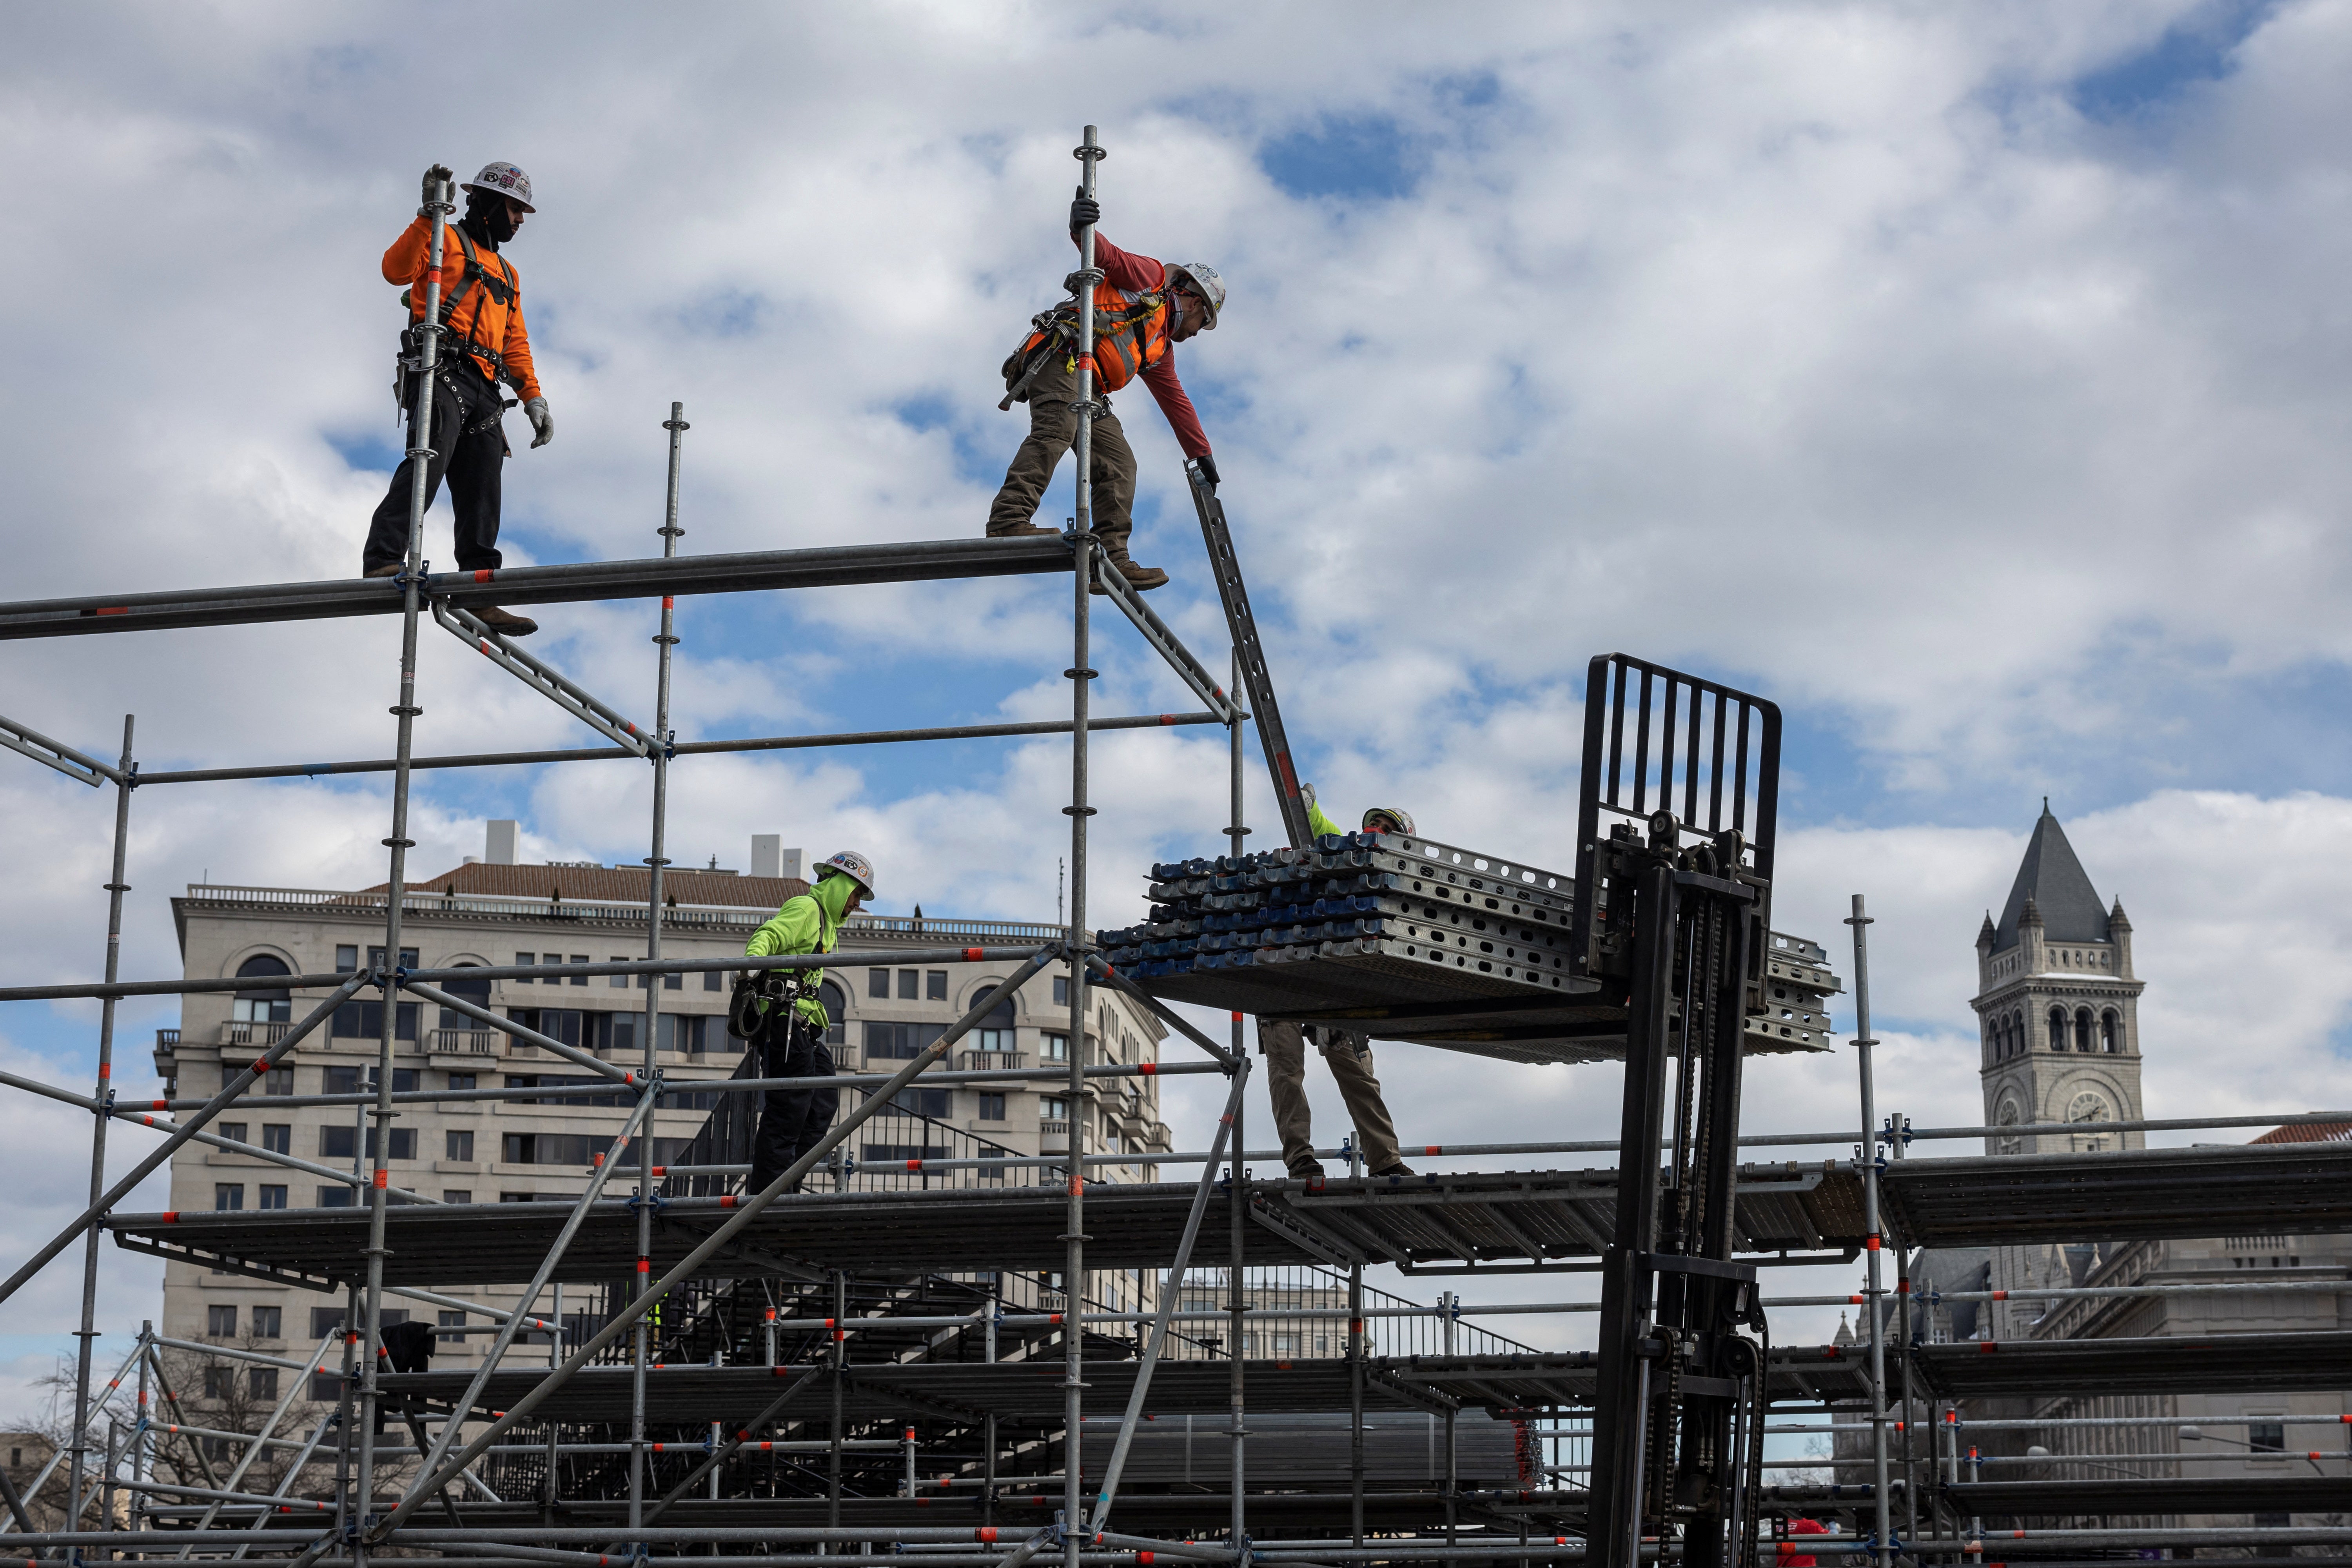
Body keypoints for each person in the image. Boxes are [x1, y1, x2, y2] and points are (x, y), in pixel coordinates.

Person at [987, 189, 1227, 593]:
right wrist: (1081, 227)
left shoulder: (1159, 347)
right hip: (1063, 360)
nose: (1198, 332)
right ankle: (1008, 520)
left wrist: (1200, 453)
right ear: (1192, 296)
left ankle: (1113, 558)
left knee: (1119, 464)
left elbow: (1176, 401)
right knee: (1056, 429)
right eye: (1204, 321)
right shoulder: (1150, 281)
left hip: (1089, 387)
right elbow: (1107, 256)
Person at [363, 161, 554, 638]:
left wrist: (532, 397)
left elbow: (515, 342)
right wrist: (430, 215)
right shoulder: (444, 238)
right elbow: (394, 270)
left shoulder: (507, 273)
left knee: (484, 490)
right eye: (514, 208)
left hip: (486, 385)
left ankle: (479, 590)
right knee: (427, 463)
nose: (520, 220)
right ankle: (384, 558)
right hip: (442, 368)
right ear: (488, 203)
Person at [1261, 784, 1419, 1181]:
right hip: (1286, 967)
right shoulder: (1341, 850)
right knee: (1286, 1067)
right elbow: (1316, 827)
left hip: (1342, 980)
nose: (1378, 830)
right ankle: (1300, 1158)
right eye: (1376, 824)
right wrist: (1305, 805)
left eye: (1388, 828)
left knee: (1358, 1073)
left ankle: (1385, 1160)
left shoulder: (1401, 881)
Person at [741, 850, 878, 1193]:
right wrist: (752, 963)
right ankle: (767, 1199)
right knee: (787, 1112)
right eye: (855, 894)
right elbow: (768, 934)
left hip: (802, 1027)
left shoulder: (827, 925)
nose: (856, 904)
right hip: (784, 1023)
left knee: (822, 1105)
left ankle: (785, 1184)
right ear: (840, 885)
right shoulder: (806, 908)